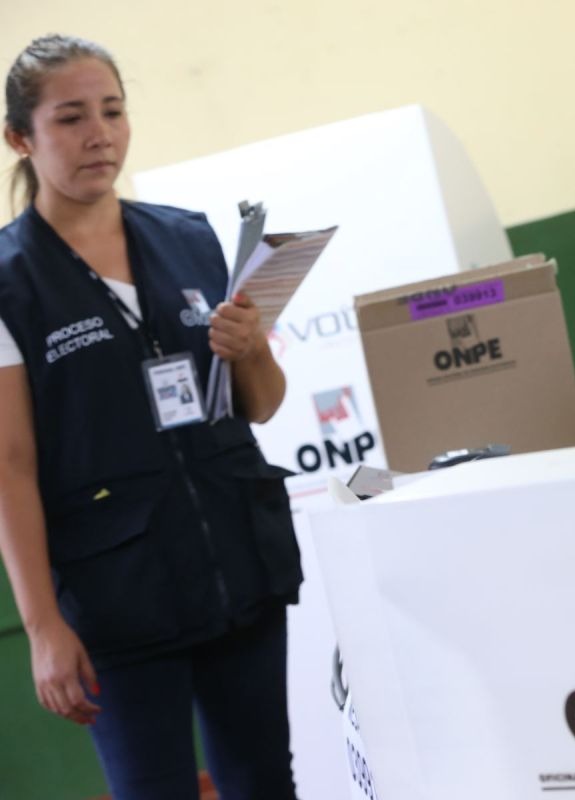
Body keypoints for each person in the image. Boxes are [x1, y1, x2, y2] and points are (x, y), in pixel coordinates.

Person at [0, 35, 301, 799]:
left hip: (239, 563)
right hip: (116, 598)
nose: (100, 134)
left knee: (265, 782)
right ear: (20, 139)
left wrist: (251, 351)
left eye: (113, 111)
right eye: (71, 118)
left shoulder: (189, 237)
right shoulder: (9, 282)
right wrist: (43, 627)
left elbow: (262, 403)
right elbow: (10, 465)